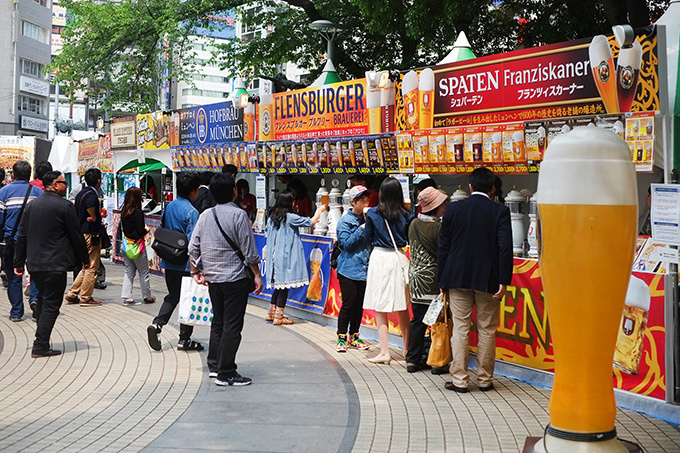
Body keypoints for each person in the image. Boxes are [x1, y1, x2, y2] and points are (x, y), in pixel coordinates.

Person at [438, 167, 513, 393]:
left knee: (460, 328)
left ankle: (460, 380)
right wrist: (503, 279)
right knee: (487, 329)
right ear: (492, 188)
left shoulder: (453, 210)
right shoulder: (500, 212)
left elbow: (444, 246)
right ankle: (484, 379)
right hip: (488, 279)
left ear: (470, 187)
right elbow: (505, 247)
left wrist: (442, 279)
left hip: (457, 277)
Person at [188, 173, 264, 386]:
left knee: (218, 322)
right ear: (234, 192)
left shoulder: (205, 215)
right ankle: (227, 372)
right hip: (235, 278)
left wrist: (195, 271)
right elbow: (249, 251)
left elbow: (192, 247)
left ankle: (215, 365)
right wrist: (257, 275)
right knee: (232, 325)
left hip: (214, 278)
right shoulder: (239, 215)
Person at [13, 171, 89, 357]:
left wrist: (19, 262)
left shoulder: (32, 206)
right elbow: (76, 235)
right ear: (55, 184)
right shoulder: (65, 206)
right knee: (51, 305)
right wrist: (85, 260)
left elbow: (22, 235)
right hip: (56, 264)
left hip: (35, 263)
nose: (66, 186)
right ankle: (40, 345)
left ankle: (42, 339)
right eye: (64, 183)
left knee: (42, 300)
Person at [147, 172, 203, 352]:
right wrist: (198, 267)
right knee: (188, 299)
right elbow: (193, 242)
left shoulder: (170, 206)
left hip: (169, 260)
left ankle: (157, 324)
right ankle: (184, 339)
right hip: (186, 263)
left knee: (173, 296)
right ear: (194, 191)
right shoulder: (192, 212)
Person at [364, 177, 413, 364]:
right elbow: (409, 238)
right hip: (399, 257)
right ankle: (408, 349)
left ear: (382, 194)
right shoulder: (407, 215)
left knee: (380, 306)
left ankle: (384, 351)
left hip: (379, 258)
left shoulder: (372, 214)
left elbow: (368, 237)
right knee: (402, 305)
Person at [265, 191, 326, 325]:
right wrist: (320, 209)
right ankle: (279, 317)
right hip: (285, 258)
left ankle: (271, 313)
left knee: (278, 286)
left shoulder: (272, 217)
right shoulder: (290, 217)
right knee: (284, 287)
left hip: (274, 257)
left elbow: (266, 234)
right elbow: (311, 222)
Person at [406, 187, 449, 374]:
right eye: (443, 203)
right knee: (438, 322)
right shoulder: (439, 228)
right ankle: (437, 362)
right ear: (436, 206)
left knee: (417, 321)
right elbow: (443, 255)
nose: (445, 206)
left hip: (416, 280)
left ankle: (412, 360)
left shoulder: (414, 223)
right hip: (433, 281)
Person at [0, 160, 43, 321]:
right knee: (35, 273)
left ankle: (17, 312)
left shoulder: (4, 192)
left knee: (13, 277)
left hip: (12, 241)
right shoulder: (38, 193)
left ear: (13, 175)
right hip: (34, 241)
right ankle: (34, 300)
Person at [335, 185, 372, 352]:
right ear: (353, 202)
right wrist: (361, 229)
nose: (365, 203)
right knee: (348, 304)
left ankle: (354, 336)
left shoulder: (368, 219)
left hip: (364, 269)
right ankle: (341, 337)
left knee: (359, 305)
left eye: (367, 200)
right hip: (348, 269)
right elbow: (346, 244)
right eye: (362, 200)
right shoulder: (345, 221)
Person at [64, 167, 104, 307]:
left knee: (86, 265)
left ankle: (72, 293)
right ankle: (85, 297)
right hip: (91, 233)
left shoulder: (82, 192)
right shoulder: (92, 195)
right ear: (98, 181)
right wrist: (93, 216)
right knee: (92, 266)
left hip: (82, 231)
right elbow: (90, 206)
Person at [120, 187, 155, 306]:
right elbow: (140, 230)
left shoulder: (124, 210)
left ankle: (126, 296)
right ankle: (147, 296)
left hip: (126, 245)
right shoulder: (137, 212)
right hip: (136, 247)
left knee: (129, 271)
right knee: (143, 271)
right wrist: (147, 229)